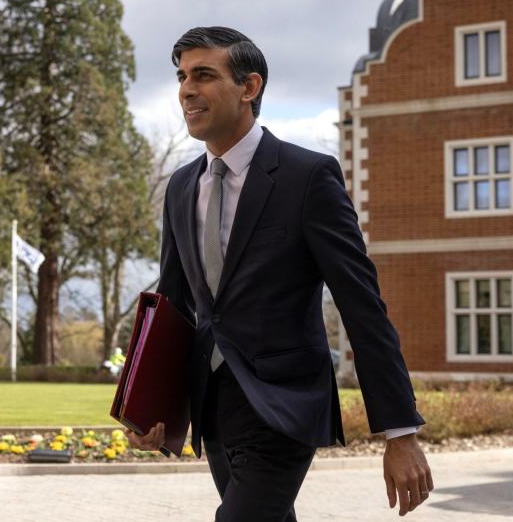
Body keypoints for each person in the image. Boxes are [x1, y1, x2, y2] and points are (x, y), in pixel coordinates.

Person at [125, 27, 432, 520]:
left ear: (250, 87)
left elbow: (361, 305)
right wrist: (151, 406)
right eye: (182, 76)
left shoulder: (307, 177)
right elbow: (175, 305)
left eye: (204, 75)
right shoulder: (181, 187)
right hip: (214, 405)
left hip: (285, 404)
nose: (186, 89)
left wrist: (401, 433)